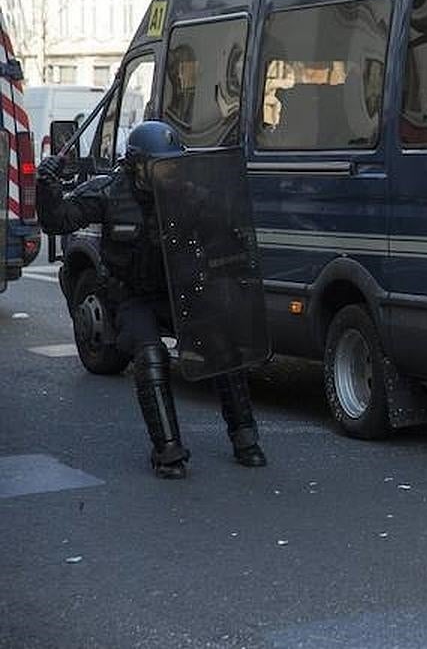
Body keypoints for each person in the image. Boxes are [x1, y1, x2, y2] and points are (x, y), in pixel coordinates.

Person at [37, 121, 268, 479]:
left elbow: (224, 237)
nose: (169, 171)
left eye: (174, 164)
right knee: (149, 355)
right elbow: (58, 221)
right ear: (136, 165)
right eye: (160, 165)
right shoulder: (109, 193)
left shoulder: (190, 194)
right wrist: (46, 185)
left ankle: (245, 437)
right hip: (132, 297)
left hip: (180, 292)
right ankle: (168, 451)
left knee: (224, 346)